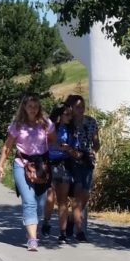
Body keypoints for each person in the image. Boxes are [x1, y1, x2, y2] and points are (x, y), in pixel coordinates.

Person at [0, 94, 56, 251]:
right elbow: (7, 146)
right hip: (21, 164)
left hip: (41, 165)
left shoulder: (45, 124)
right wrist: (0, 165)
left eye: (35, 106)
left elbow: (52, 139)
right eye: (30, 106)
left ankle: (32, 226)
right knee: (29, 201)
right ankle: (32, 239)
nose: (33, 109)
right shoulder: (17, 125)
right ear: (24, 107)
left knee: (40, 203)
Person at [65, 94, 100, 241]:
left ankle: (72, 219)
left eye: (82, 106)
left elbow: (96, 142)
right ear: (71, 108)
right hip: (71, 161)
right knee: (78, 191)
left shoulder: (90, 122)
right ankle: (80, 230)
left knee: (84, 195)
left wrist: (94, 148)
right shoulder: (67, 122)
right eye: (78, 107)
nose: (81, 109)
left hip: (87, 160)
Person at [44, 103, 79, 243]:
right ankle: (46, 221)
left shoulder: (71, 130)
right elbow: (42, 142)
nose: (70, 117)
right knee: (50, 197)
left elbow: (74, 149)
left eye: (71, 114)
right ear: (59, 115)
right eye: (67, 114)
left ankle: (62, 232)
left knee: (63, 200)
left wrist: (68, 149)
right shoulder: (50, 127)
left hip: (64, 164)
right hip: (50, 163)